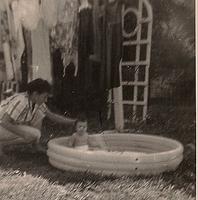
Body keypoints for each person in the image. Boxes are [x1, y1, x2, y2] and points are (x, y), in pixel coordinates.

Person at [0, 78, 76, 156]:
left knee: (39, 114)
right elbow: (4, 122)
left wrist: (73, 121)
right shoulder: (22, 101)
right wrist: (23, 133)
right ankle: (2, 144)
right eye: (44, 97)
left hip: (6, 125)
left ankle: (36, 146)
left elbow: (51, 115)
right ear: (35, 94)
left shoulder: (35, 101)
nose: (46, 100)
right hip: (2, 125)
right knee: (34, 134)